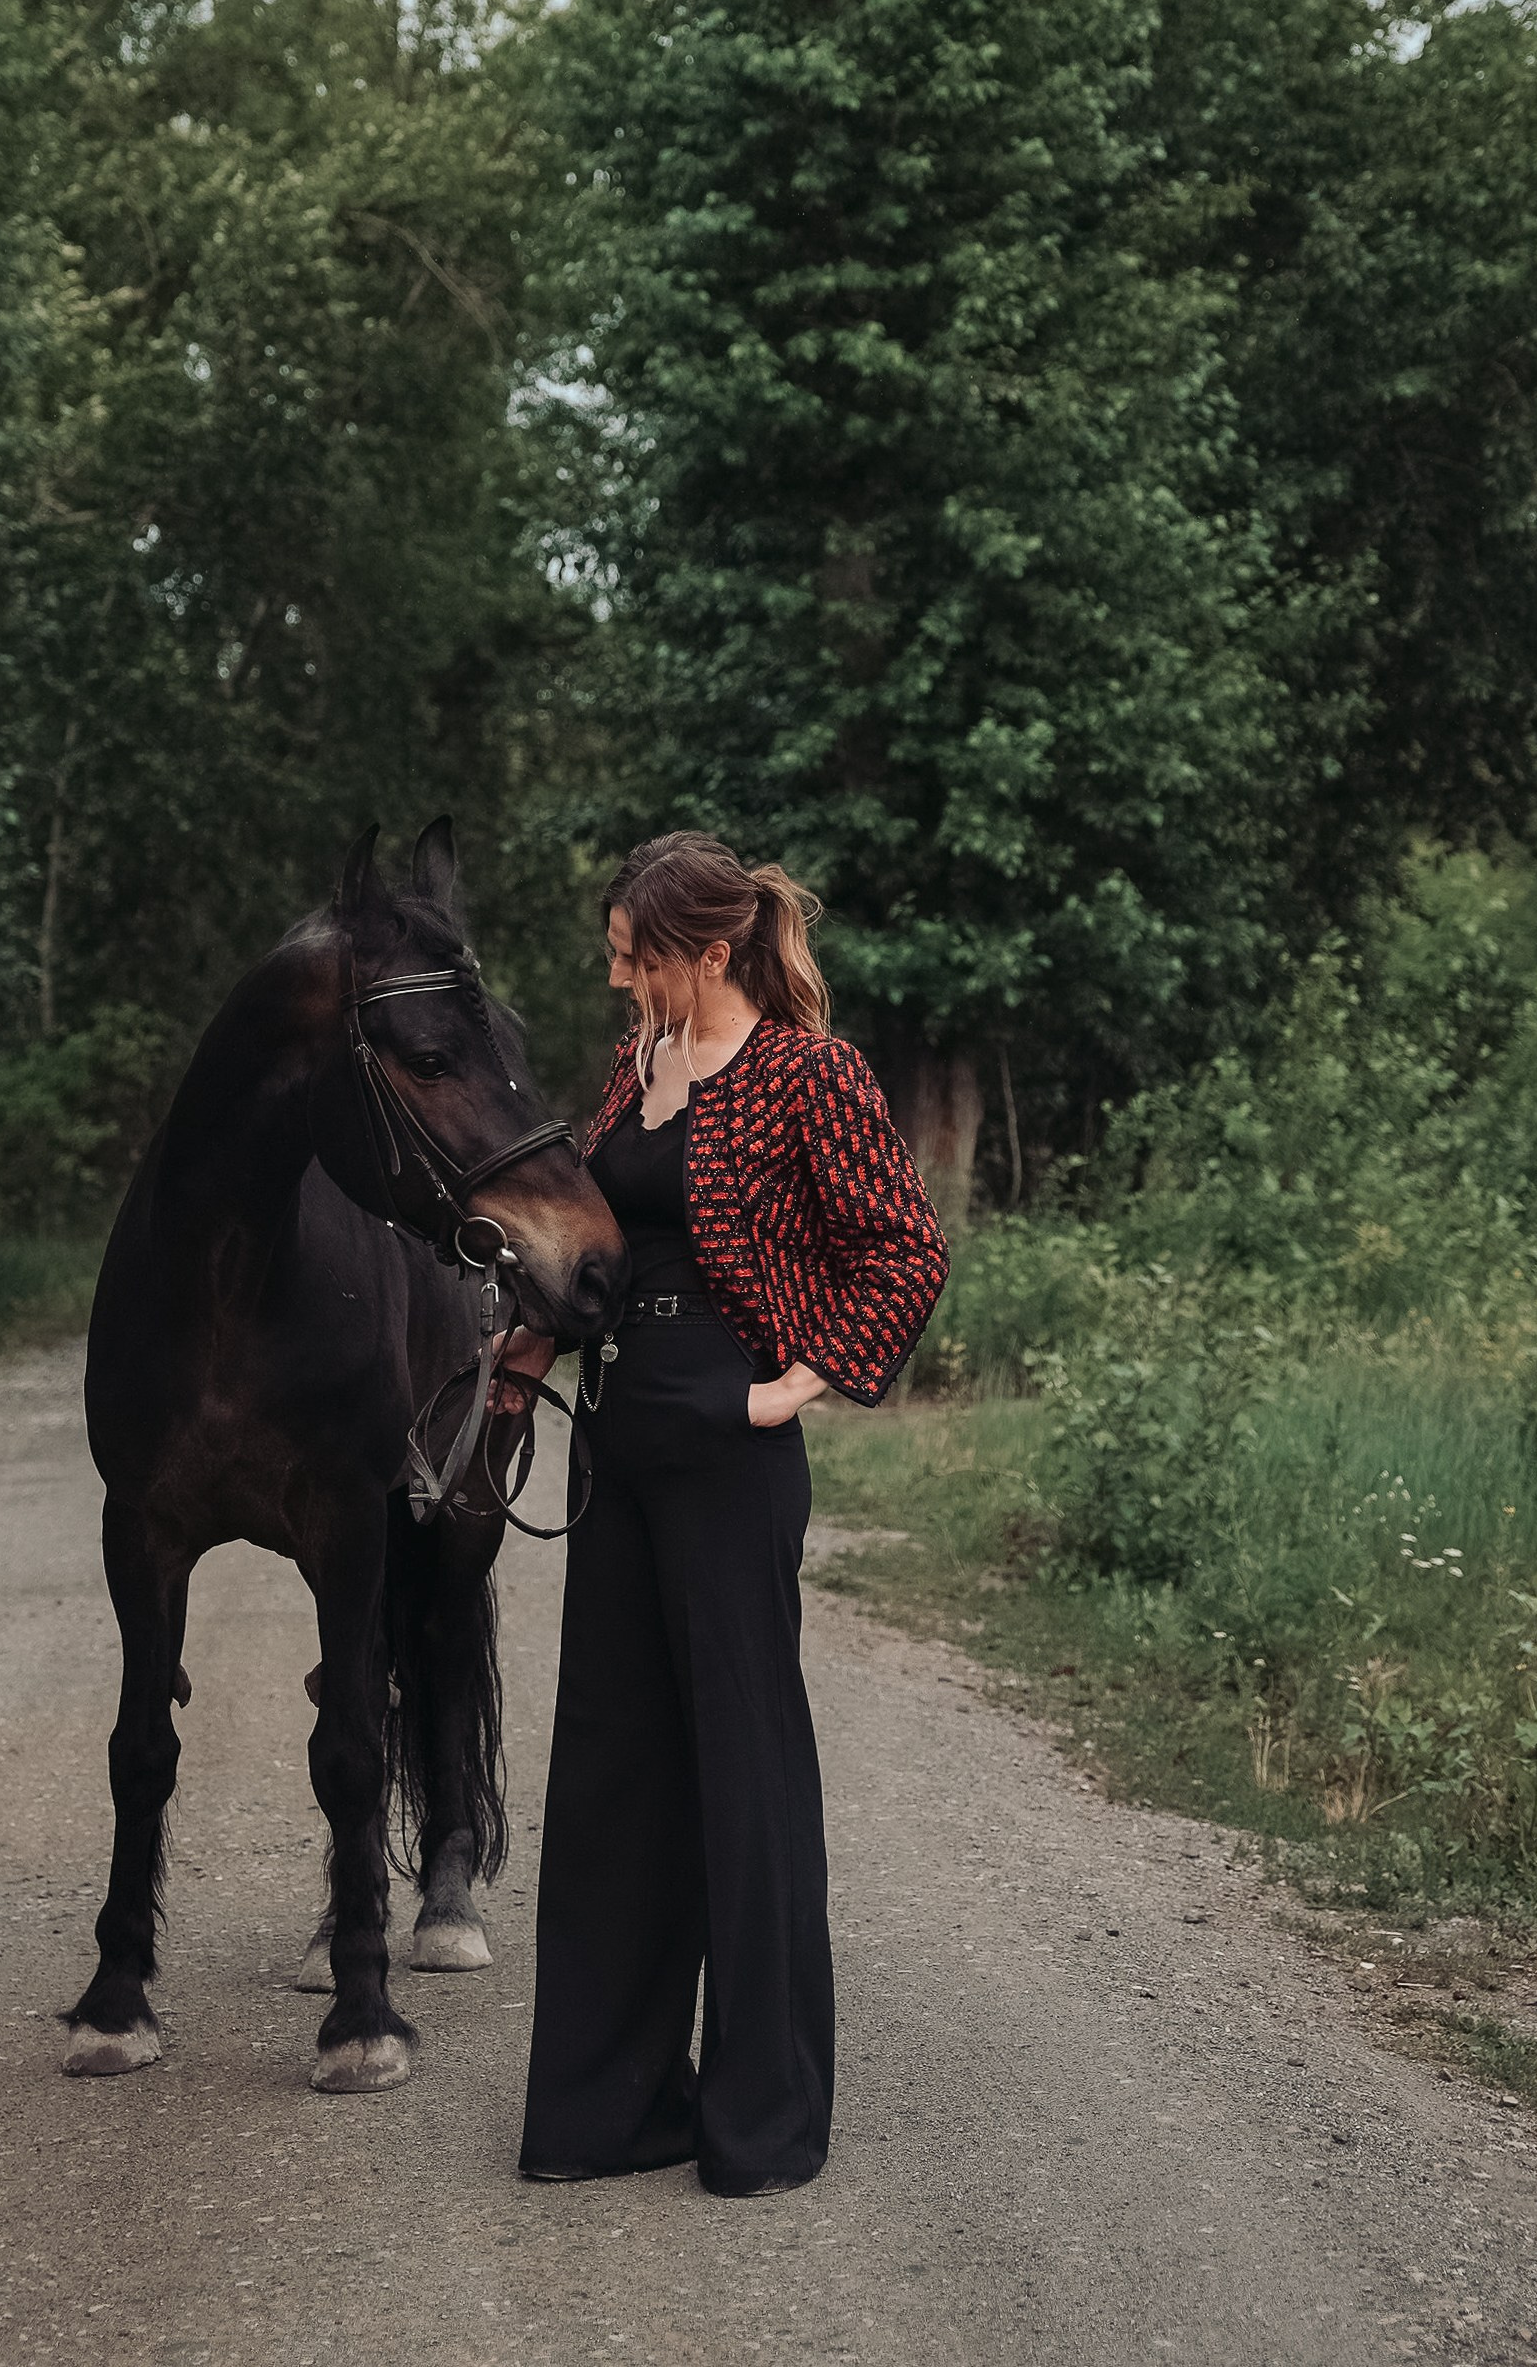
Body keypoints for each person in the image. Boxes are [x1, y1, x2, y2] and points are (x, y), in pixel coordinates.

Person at [508, 829, 950, 2197]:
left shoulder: (809, 1074)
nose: (618, 979)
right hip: (615, 1447)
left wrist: (787, 1391)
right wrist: (526, 1356)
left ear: (706, 951)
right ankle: (612, 2108)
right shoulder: (632, 1069)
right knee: (613, 1774)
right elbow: (595, 1248)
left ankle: (763, 2118)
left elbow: (905, 1251)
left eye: (633, 957)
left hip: (725, 1450)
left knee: (743, 1768)